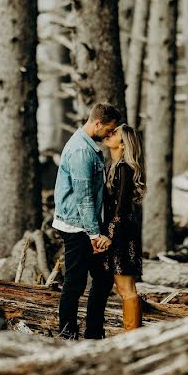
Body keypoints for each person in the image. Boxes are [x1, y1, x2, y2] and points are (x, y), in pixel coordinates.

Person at [54, 102, 122, 339]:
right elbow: (84, 198)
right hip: (77, 226)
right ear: (97, 123)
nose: (110, 134)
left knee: (102, 279)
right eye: (109, 129)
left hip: (86, 225)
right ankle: (67, 334)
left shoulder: (87, 146)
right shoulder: (82, 152)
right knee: (75, 282)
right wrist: (94, 234)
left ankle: (93, 333)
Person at [100, 124, 145, 331]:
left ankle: (132, 336)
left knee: (126, 288)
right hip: (118, 232)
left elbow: (120, 207)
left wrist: (110, 235)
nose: (110, 134)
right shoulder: (114, 167)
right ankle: (131, 333)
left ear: (124, 144)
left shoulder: (124, 169)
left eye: (115, 133)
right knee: (123, 287)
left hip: (122, 235)